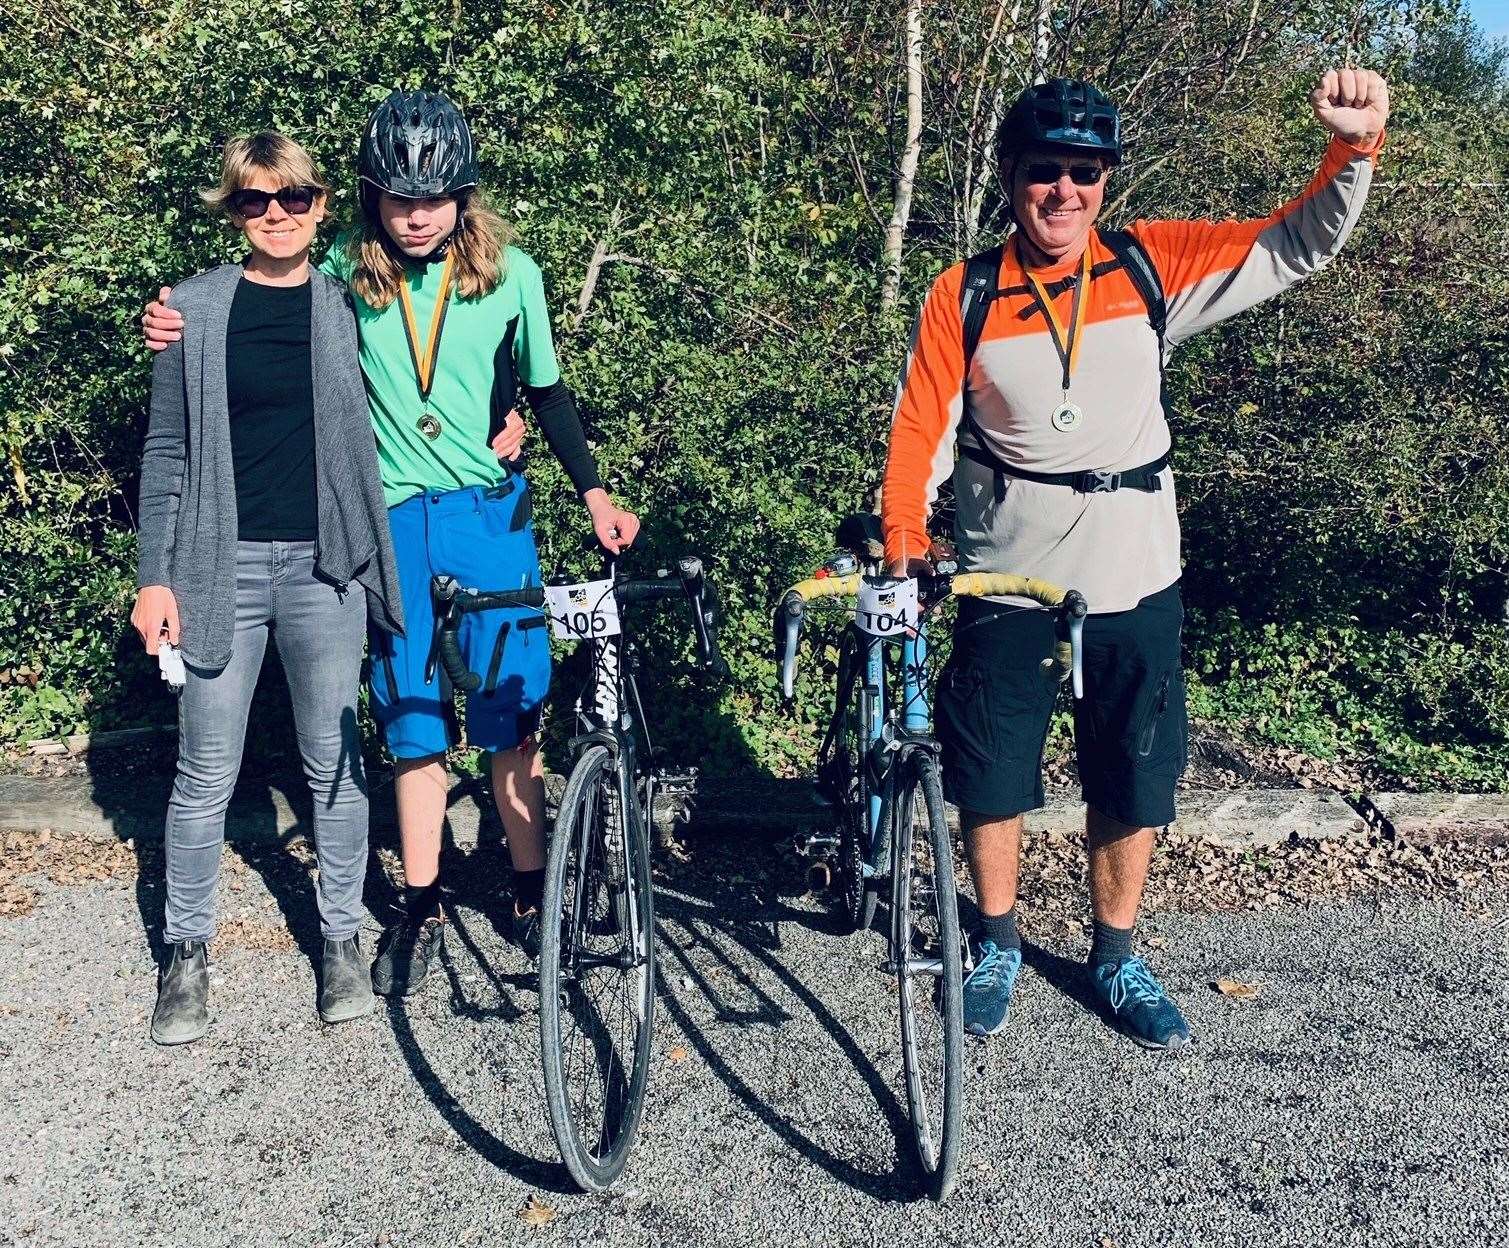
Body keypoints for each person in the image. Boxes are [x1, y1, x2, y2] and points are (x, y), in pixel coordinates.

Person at [882, 69, 1389, 1049]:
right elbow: (918, 440)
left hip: (1135, 578)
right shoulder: (968, 293)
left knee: (1133, 778)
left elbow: (1298, 243)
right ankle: (997, 943)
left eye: (1084, 172)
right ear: (1010, 176)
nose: (1063, 191)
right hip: (1007, 581)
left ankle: (1115, 955)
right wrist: (906, 542)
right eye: (1044, 171)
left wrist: (1352, 152)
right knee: (991, 776)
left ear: (1107, 180)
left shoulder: (1151, 266)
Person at [144, 91, 637, 996]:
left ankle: (529, 888)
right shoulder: (340, 271)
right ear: (368, 198)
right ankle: (422, 902)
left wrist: (593, 490)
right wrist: (169, 317)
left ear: (464, 197)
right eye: (400, 198)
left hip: (488, 515)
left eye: (436, 198)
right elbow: (255, 286)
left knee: (508, 713)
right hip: (385, 522)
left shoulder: (514, 274)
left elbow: (547, 394)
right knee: (413, 721)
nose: (418, 215)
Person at [133, 133, 405, 1044]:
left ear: (321, 205)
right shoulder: (195, 309)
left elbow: (430, 375)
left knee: (335, 762)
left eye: (291, 198)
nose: (275, 215)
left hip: (327, 569)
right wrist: (154, 578)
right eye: (255, 201)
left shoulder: (350, 303)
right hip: (221, 568)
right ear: (234, 210)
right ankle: (186, 957)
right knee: (204, 770)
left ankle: (341, 941)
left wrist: (507, 421)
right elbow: (167, 451)